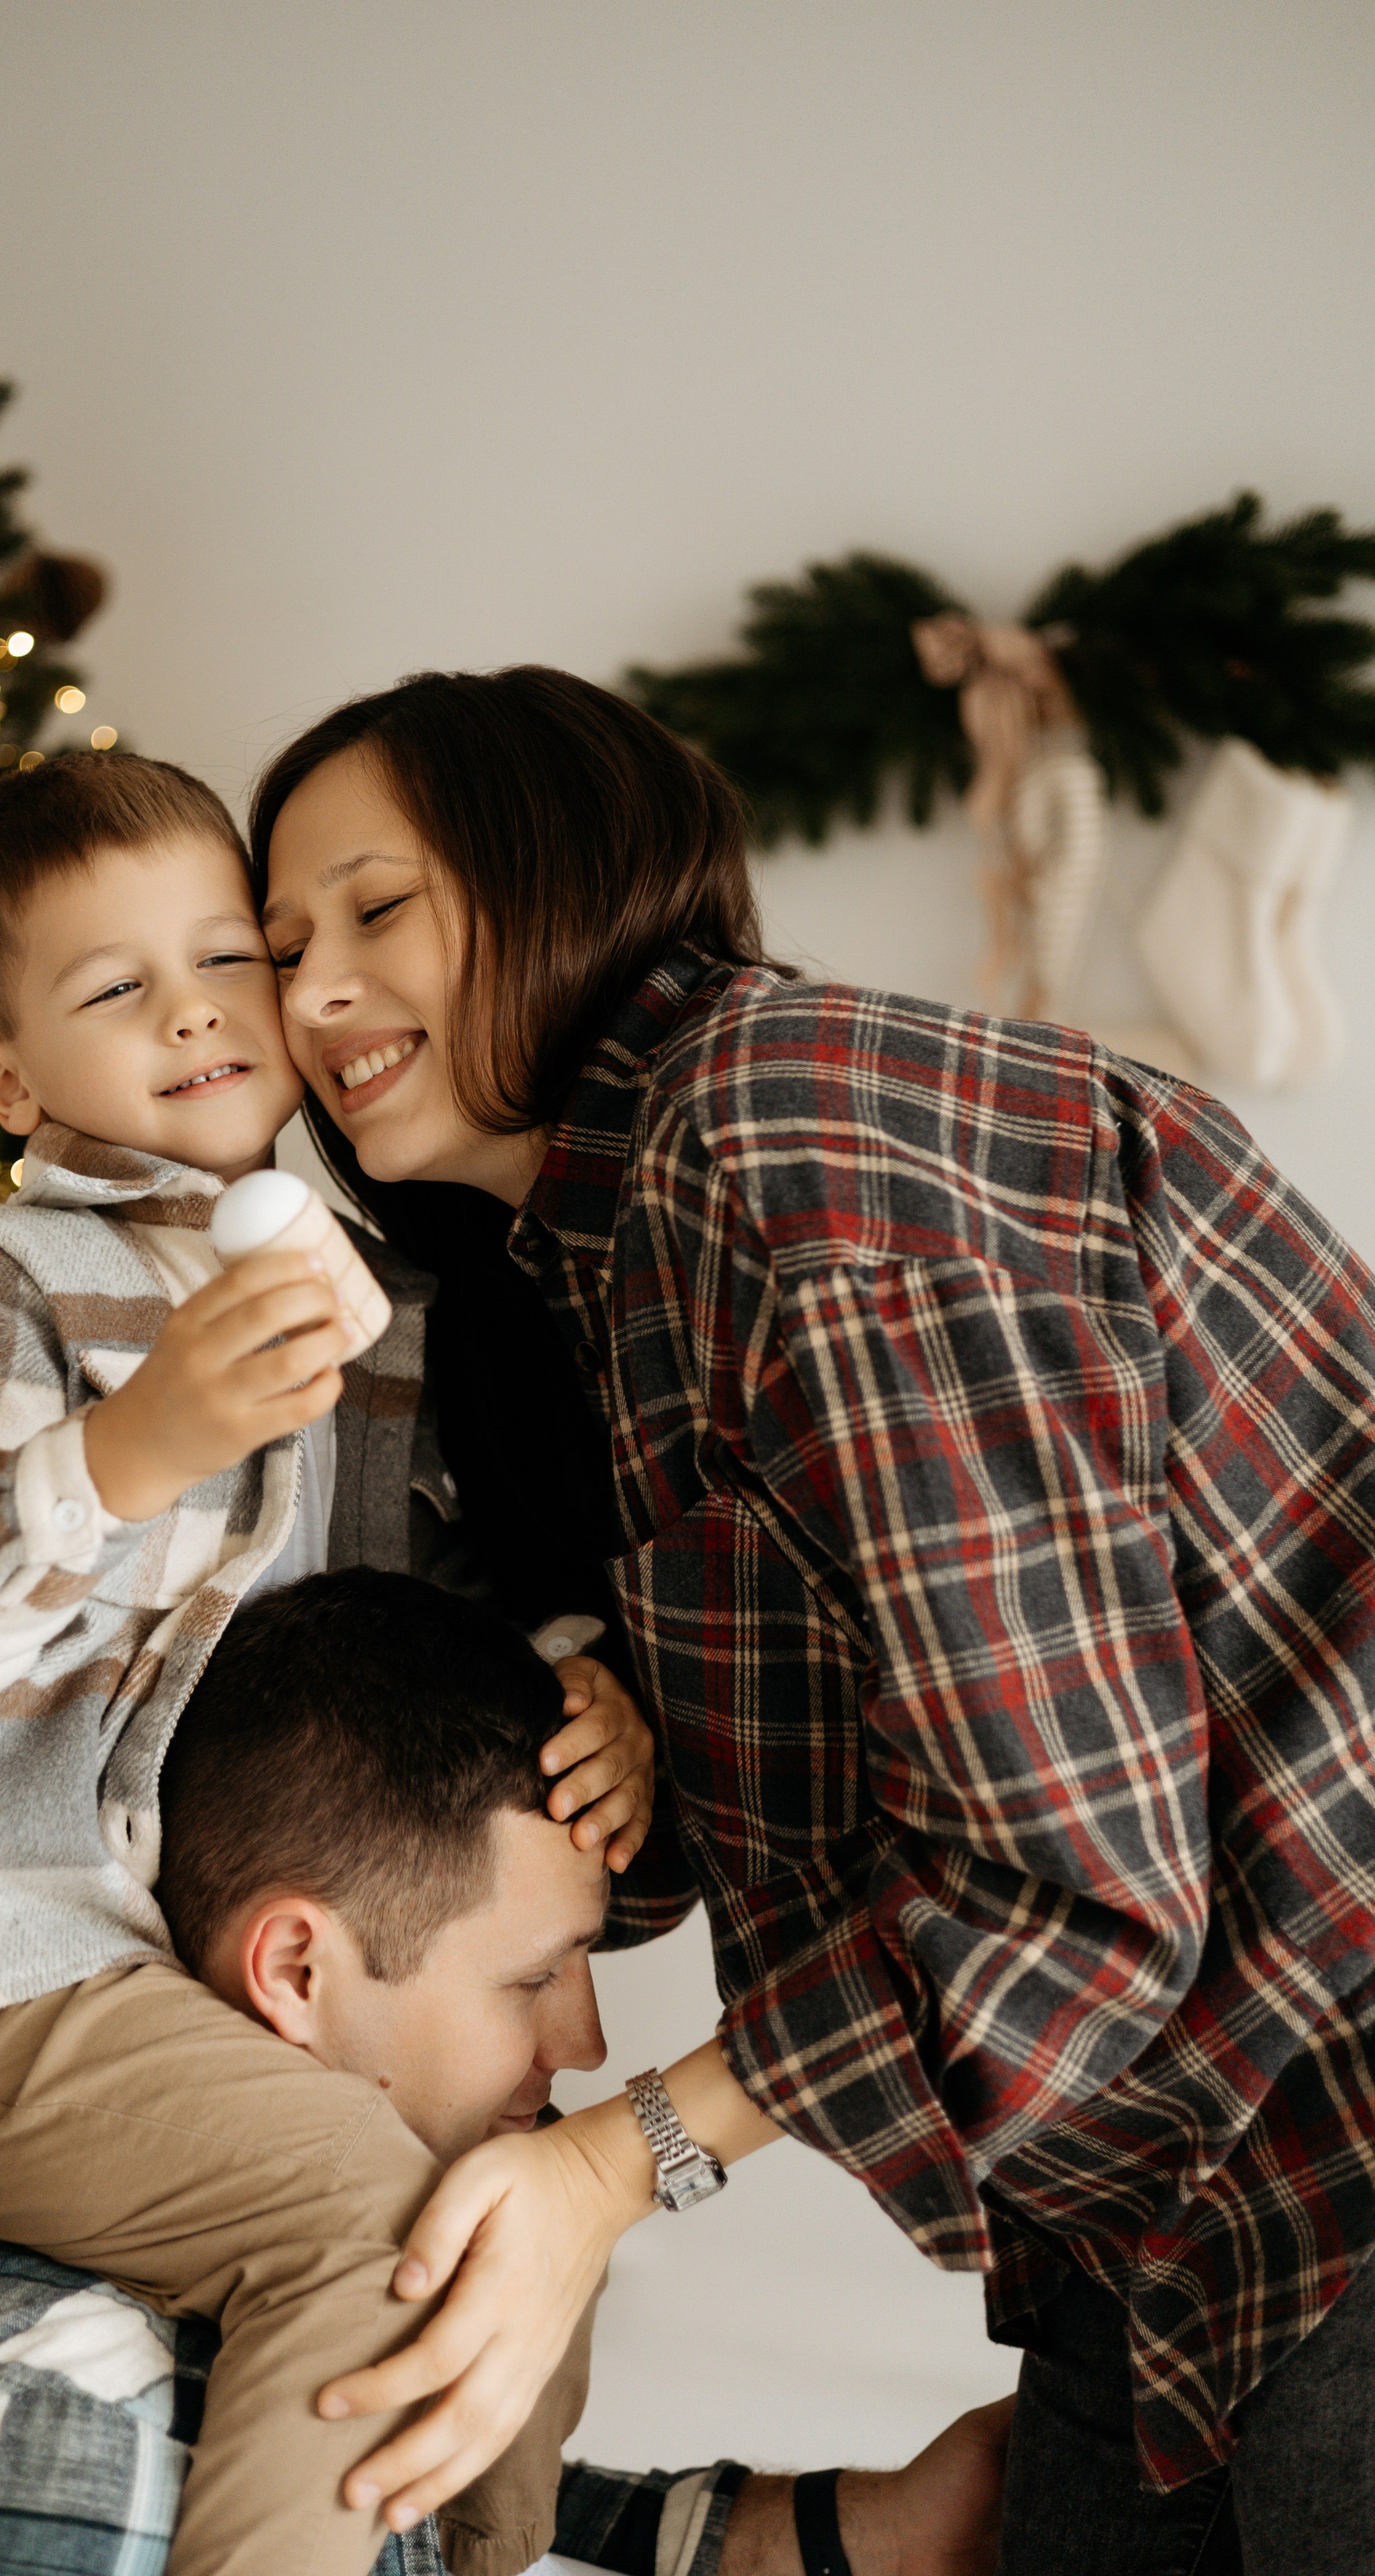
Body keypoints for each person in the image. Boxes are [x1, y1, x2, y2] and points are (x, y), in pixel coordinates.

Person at [249, 666, 1375, 2576]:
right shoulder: (582, 1284)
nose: (315, 998)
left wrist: (612, 2172)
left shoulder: (786, 1142)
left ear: (564, 878)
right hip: (1167, 2232)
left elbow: (1075, 1891)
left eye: (377, 911)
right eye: (281, 948)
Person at [0, 749, 652, 2576]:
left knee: (511, 2225)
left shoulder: (367, 1289)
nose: (192, 1015)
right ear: (5, 1078)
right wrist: (129, 1448)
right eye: (117, 991)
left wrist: (580, 1682)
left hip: (180, 1972)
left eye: (225, 963)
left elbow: (422, 1609)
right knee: (372, 2218)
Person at [0, 1567, 1011, 2576]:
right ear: (297, 1971)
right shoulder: (44, 2416)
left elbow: (397, 2492)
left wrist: (852, 2539)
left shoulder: (245, 2318)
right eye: (532, 1978)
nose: (587, 2046)